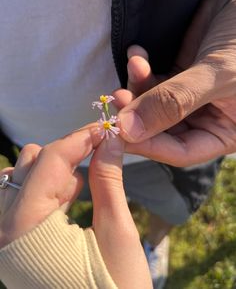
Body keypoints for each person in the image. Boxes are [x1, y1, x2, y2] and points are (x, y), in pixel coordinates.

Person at [0, 0, 236, 288]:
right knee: (79, 195)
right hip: (38, 143)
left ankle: (154, 241)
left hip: (173, 140)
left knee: (170, 205)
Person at [0, 124, 152, 289]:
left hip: (148, 160)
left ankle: (154, 241)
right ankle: (154, 241)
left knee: (173, 208)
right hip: (25, 131)